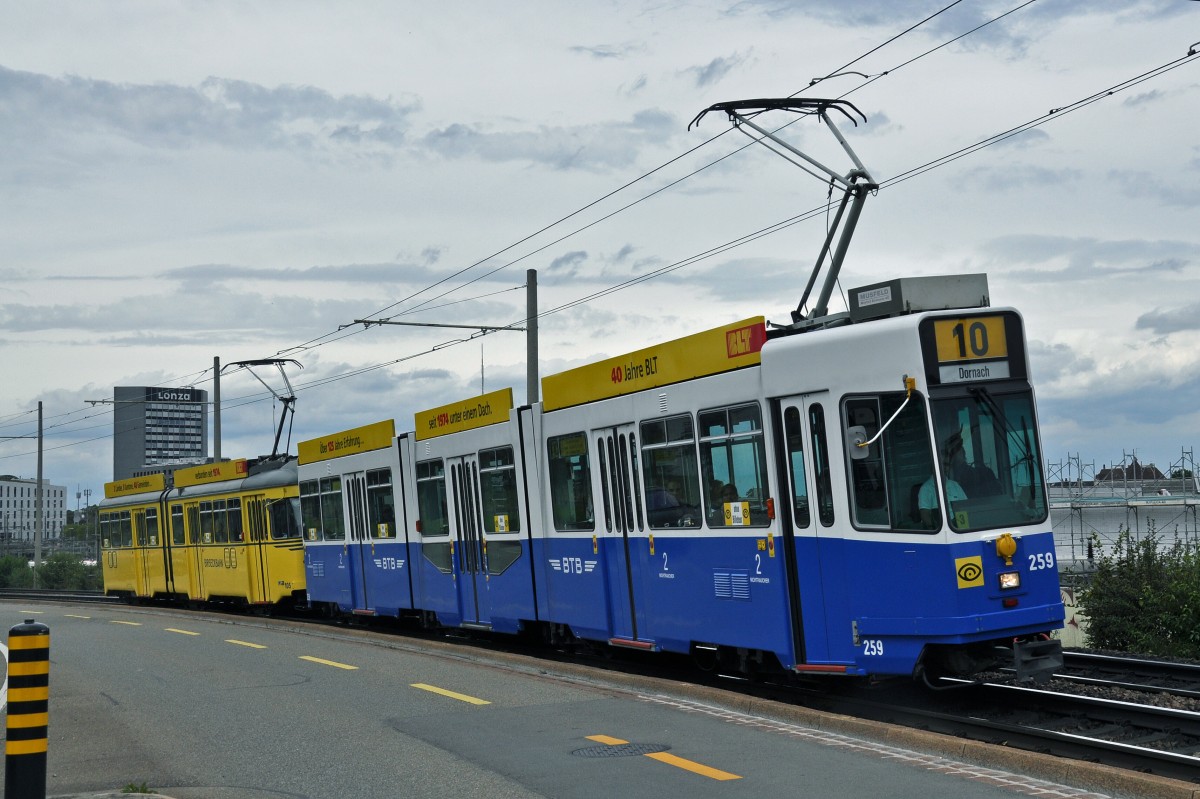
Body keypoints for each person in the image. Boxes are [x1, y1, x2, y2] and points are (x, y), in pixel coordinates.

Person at [919, 434, 968, 526]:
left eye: (946, 465)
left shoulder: (955, 486)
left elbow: (967, 508)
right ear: (933, 467)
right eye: (940, 465)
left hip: (961, 528)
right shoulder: (925, 489)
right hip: (940, 531)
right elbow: (925, 516)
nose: (943, 468)